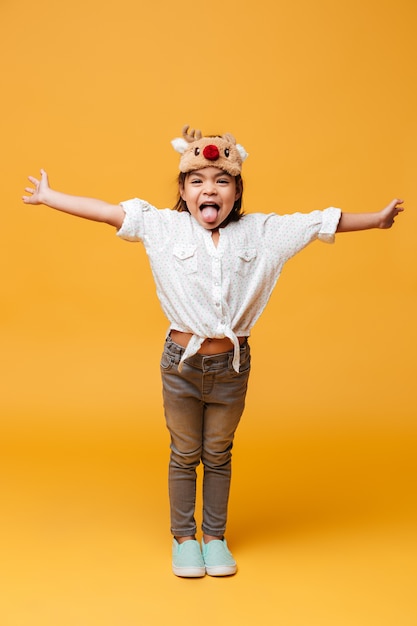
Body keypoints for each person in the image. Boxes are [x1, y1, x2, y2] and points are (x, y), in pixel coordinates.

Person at [22, 125, 404, 578]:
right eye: (198, 180)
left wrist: (376, 221)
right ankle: (184, 539)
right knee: (185, 452)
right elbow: (107, 212)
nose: (210, 189)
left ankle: (215, 537)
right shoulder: (163, 226)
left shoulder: (262, 233)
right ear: (183, 190)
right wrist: (51, 196)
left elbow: (323, 220)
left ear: (237, 191)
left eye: (222, 181)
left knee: (218, 453)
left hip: (231, 368)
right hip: (179, 365)